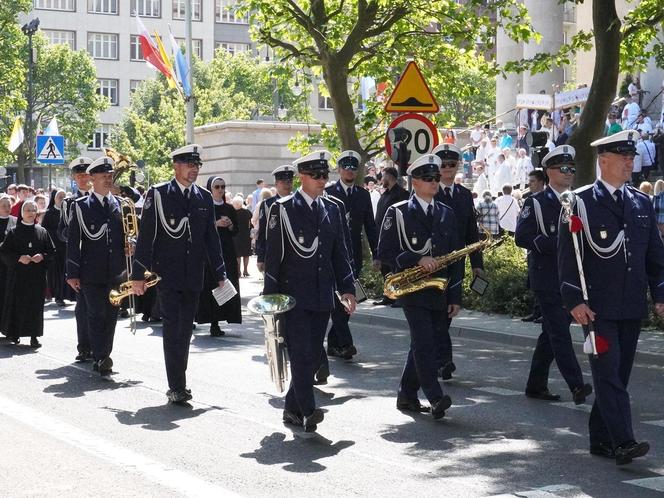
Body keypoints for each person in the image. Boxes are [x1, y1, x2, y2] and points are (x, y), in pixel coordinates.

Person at [558, 130, 664, 465]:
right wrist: (574, 300)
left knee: (617, 376)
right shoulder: (579, 202)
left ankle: (600, 438)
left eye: (632, 157)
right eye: (623, 157)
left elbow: (655, 259)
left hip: (631, 306)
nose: (630, 162)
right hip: (596, 309)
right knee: (607, 375)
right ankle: (623, 442)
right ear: (603, 161)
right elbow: (568, 257)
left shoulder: (641, 202)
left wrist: (660, 294)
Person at [264, 150, 356, 432]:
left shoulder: (333, 208)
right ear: (302, 176)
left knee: (313, 354)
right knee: (302, 354)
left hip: (322, 296)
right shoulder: (283, 208)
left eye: (325, 175)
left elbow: (340, 253)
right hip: (292, 298)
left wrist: (347, 289)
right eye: (316, 175)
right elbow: (274, 258)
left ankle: (291, 409)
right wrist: (270, 303)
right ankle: (308, 409)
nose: (322, 180)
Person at [131, 144, 227, 404]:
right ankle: (177, 385)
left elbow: (211, 239)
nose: (194, 169)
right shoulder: (159, 194)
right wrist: (138, 274)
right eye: (189, 164)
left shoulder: (204, 198)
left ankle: (178, 380)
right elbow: (147, 236)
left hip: (194, 275)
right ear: (176, 166)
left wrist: (221, 273)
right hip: (168, 275)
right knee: (173, 329)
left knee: (185, 331)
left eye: (197, 165)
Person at [377, 154, 462, 419]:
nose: (434, 182)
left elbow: (456, 258)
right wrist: (416, 258)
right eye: (428, 178)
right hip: (412, 288)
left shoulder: (447, 213)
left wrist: (455, 295)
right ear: (414, 181)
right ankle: (435, 396)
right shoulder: (398, 211)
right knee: (425, 342)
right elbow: (385, 251)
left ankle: (406, 394)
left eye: (436, 178)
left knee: (427, 342)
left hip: (439, 288)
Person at [515, 145, 593, 404]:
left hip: (573, 279)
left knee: (550, 335)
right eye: (563, 168)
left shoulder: (579, 201)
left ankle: (535, 385)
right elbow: (522, 237)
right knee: (559, 332)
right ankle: (577, 385)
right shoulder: (535, 202)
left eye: (572, 168)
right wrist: (557, 244)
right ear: (549, 171)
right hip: (547, 278)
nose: (569, 172)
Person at [66, 157, 125, 377]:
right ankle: (101, 356)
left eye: (110, 176)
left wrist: (131, 245)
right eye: (104, 177)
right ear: (93, 179)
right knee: (96, 314)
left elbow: (124, 237)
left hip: (116, 271)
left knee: (111, 315)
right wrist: (72, 272)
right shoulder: (81, 206)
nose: (108, 180)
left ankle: (104, 354)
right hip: (90, 271)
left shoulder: (118, 204)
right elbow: (73, 241)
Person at [433, 143, 483, 380]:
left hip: (457, 263)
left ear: (457, 167)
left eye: (451, 165)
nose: (446, 169)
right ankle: (443, 361)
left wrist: (477, 264)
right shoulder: (428, 192)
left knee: (449, 311)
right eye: (442, 165)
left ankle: (438, 358)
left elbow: (471, 232)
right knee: (437, 313)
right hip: (432, 264)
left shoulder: (463, 195)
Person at [323, 150, 378, 360]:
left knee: (349, 297)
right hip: (331, 254)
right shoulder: (328, 192)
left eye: (354, 167)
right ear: (339, 169)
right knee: (338, 299)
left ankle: (334, 342)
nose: (350, 170)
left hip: (353, 254)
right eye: (346, 167)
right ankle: (345, 343)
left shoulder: (363, 195)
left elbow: (370, 227)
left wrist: (376, 254)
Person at [0, 200, 54, 348]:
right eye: (28, 210)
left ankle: (34, 336)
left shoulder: (42, 231)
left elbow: (52, 252)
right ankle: (15, 333)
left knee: (35, 306)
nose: (31, 213)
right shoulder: (13, 231)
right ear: (22, 213)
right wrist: (19, 258)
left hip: (36, 277)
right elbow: (4, 252)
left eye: (33, 210)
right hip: (18, 275)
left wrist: (42, 256)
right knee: (17, 304)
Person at [196, 176, 241, 337]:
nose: (221, 189)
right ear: (211, 189)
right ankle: (213, 322)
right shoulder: (205, 206)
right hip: (210, 251)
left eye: (223, 186)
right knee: (212, 284)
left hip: (227, 250)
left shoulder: (229, 208)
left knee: (227, 282)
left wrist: (229, 225)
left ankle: (226, 316)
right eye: (217, 187)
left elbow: (236, 231)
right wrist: (215, 224)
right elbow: (199, 229)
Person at [58, 157, 93, 362]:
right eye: (79, 175)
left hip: (99, 260)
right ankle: (84, 347)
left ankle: (100, 347)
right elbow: (61, 232)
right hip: (80, 260)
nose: (83, 178)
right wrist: (74, 234)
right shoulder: (69, 203)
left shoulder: (101, 198)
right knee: (83, 307)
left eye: (86, 174)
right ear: (74, 177)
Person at [372, 166, 409, 306]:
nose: (381, 179)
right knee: (385, 269)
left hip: (395, 238)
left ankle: (399, 297)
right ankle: (388, 296)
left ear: (389, 177)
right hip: (382, 237)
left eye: (383, 176)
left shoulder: (402, 194)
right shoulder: (385, 194)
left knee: (396, 269)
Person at [255, 165, 295, 274]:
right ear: (276, 183)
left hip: (295, 254)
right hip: (273, 254)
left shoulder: (298, 203)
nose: (287, 184)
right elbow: (262, 232)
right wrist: (261, 257)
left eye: (290, 181)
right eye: (283, 181)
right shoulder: (268, 204)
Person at [41, 189, 70, 306]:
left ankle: (67, 295)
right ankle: (58, 296)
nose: (62, 199)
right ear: (55, 199)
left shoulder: (69, 211)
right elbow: (44, 229)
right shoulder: (49, 212)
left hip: (67, 247)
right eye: (59, 197)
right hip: (55, 247)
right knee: (58, 273)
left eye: (64, 197)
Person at [0, 196, 17, 327]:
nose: (7, 208)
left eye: (8, 205)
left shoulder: (15, 221)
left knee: (10, 296)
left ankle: (9, 328)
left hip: (11, 265)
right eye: (3, 206)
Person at [232, 196, 253, 277]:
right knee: (246, 254)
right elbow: (250, 222)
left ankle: (238, 271)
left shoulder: (232, 213)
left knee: (237, 255)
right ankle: (245, 270)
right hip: (246, 235)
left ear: (236, 204)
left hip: (236, 235)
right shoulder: (247, 212)